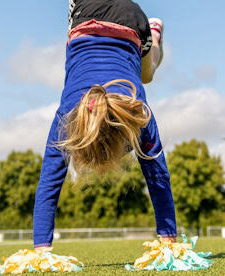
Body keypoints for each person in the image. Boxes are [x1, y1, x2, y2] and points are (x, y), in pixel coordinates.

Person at [32, 0, 172, 252]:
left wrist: (169, 237)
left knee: (146, 76)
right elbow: (48, 182)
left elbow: (159, 176)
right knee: (147, 74)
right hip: (95, 17)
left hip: (129, 22)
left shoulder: (138, 114)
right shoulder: (68, 117)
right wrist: (41, 249)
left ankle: (154, 33)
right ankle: (154, 35)